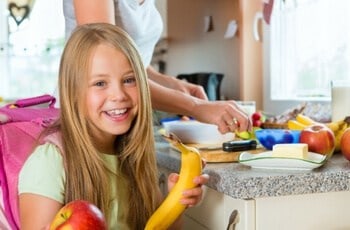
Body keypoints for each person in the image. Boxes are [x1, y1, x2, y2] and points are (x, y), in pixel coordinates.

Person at [18, 23, 209, 229]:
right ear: (73, 93)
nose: (118, 95)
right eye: (100, 83)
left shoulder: (132, 157)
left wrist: (177, 202)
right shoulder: (49, 163)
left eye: (129, 80)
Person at [62, 0, 252, 134]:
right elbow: (109, 69)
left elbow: (134, 64)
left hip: (122, 126)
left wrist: (171, 83)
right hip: (87, 123)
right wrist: (196, 107)